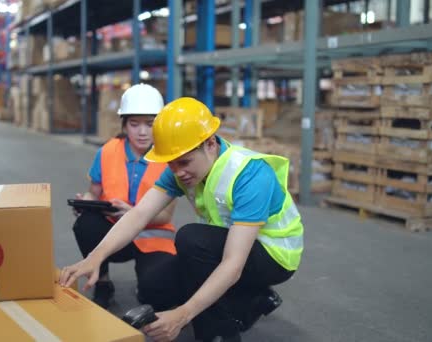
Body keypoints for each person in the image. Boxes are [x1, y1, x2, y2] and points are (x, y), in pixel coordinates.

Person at [61, 97, 304, 342]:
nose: (178, 172)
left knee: (192, 238)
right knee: (154, 289)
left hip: (274, 255)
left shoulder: (250, 175)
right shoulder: (181, 167)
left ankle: (221, 331)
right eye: (172, 164)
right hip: (225, 244)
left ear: (210, 144)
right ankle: (246, 298)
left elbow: (233, 263)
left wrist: (183, 315)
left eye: (184, 163)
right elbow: (139, 214)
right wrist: (95, 257)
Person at [71, 83, 178, 310]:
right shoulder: (108, 151)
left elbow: (166, 216)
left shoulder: (170, 158)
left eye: (150, 124)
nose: (142, 132)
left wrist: (132, 214)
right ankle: (102, 283)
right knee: (85, 224)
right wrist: (88, 202)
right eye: (134, 124)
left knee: (155, 293)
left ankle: (146, 286)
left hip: (152, 237)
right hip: (115, 232)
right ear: (124, 124)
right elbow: (94, 191)